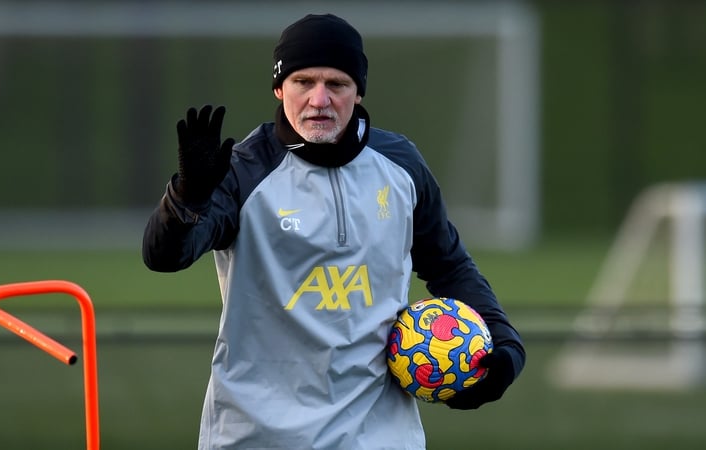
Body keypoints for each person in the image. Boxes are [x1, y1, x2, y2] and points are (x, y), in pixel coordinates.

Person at [143, 13, 525, 450]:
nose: (319, 99)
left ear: (358, 91)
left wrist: (505, 346)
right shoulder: (243, 171)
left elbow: (450, 266)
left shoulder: (401, 164)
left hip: (380, 437)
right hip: (257, 437)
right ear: (279, 88)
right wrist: (187, 197)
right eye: (303, 82)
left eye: (336, 84)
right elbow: (164, 256)